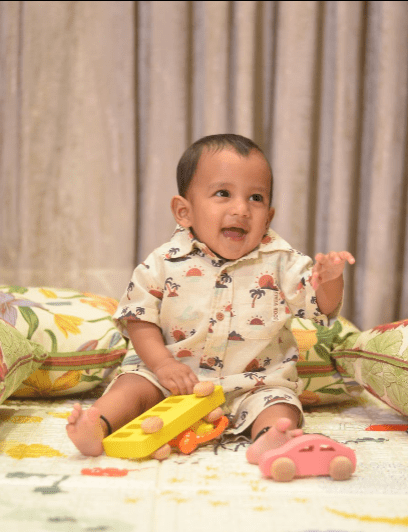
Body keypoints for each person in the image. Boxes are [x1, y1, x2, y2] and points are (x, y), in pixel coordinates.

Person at [66, 133, 355, 460]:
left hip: (253, 384)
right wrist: (162, 364)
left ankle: (271, 438)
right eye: (223, 193)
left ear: (268, 218)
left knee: (281, 403)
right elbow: (139, 318)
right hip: (171, 381)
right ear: (184, 212)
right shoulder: (162, 263)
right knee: (132, 385)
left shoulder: (283, 262)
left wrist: (330, 280)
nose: (241, 209)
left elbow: (321, 306)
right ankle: (97, 425)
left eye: (256, 198)